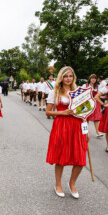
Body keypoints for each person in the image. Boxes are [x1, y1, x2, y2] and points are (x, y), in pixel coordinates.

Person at [46, 66, 88, 199]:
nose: (68, 79)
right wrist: (61, 112)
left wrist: (86, 130)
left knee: (80, 158)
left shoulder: (78, 92)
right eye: (65, 76)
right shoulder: (55, 92)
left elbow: (85, 112)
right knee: (60, 157)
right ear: (61, 78)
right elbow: (48, 112)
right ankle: (58, 184)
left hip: (77, 125)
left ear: (73, 77)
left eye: (70, 76)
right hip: (61, 125)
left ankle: (72, 183)